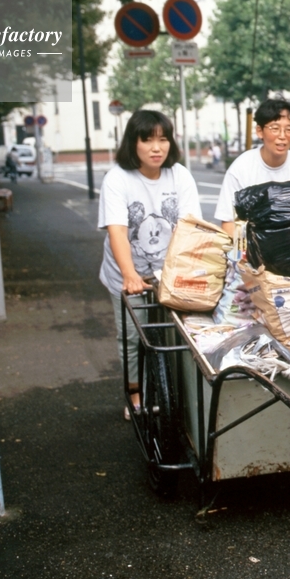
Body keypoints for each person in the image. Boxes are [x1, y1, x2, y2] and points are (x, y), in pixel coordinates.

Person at [97, 110, 202, 419]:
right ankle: (135, 393)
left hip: (168, 271)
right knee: (132, 336)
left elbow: (190, 226)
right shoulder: (117, 179)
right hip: (127, 272)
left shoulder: (179, 175)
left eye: (163, 139)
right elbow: (117, 231)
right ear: (134, 143)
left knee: (181, 334)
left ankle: (178, 394)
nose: (157, 148)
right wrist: (129, 275)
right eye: (147, 140)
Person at [213, 98, 290, 238]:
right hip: (250, 248)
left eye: (289, 129)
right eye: (275, 129)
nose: (282, 136)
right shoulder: (241, 169)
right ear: (260, 131)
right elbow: (229, 222)